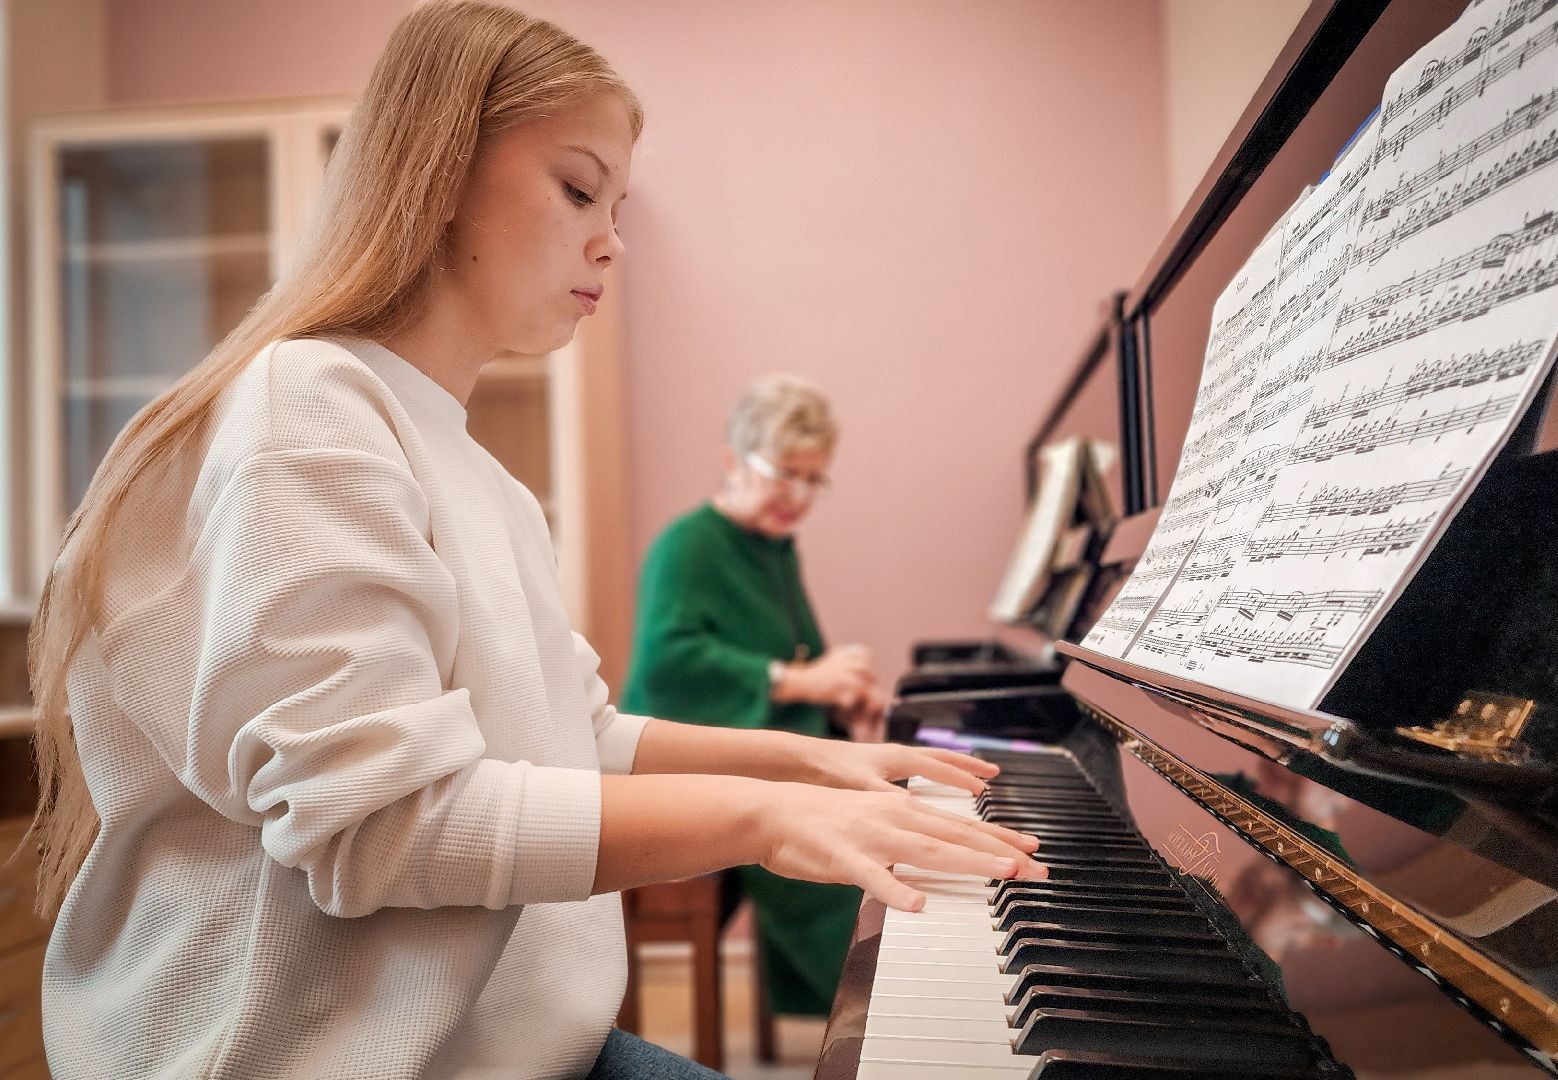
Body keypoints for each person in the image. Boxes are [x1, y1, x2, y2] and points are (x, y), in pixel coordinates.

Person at [25, 5, 1046, 1078]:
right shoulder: (310, 407)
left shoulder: (489, 482)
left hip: (515, 1045)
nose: (612, 238)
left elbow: (578, 732)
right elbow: (380, 827)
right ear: (440, 170)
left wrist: (818, 764)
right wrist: (766, 818)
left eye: (617, 203)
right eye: (576, 189)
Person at [624, 376, 888, 1017]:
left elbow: (796, 659)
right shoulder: (689, 545)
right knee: (848, 851)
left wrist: (839, 695)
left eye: (814, 479)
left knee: (885, 812)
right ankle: (877, 1014)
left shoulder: (772, 549)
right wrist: (803, 682)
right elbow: (668, 662)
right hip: (685, 767)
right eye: (785, 473)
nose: (799, 495)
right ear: (733, 462)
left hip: (755, 753)